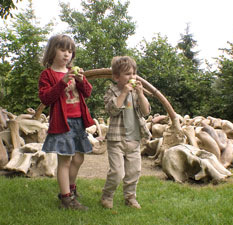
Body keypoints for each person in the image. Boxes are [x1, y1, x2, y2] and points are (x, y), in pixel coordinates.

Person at [38, 34, 94, 210]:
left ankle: (70, 188)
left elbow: (87, 93)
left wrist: (81, 80)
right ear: (52, 51)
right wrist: (62, 82)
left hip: (78, 121)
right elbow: (46, 98)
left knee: (78, 158)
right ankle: (66, 198)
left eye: (70, 51)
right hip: (62, 122)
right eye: (62, 50)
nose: (66, 54)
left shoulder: (73, 72)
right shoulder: (47, 74)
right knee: (65, 160)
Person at [101, 56, 151, 209]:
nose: (132, 77)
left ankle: (130, 197)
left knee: (134, 172)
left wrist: (141, 94)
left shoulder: (136, 92)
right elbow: (112, 110)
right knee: (117, 172)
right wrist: (123, 93)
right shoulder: (112, 91)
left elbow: (146, 111)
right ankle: (107, 195)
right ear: (117, 77)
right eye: (128, 74)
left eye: (134, 73)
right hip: (117, 139)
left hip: (134, 138)